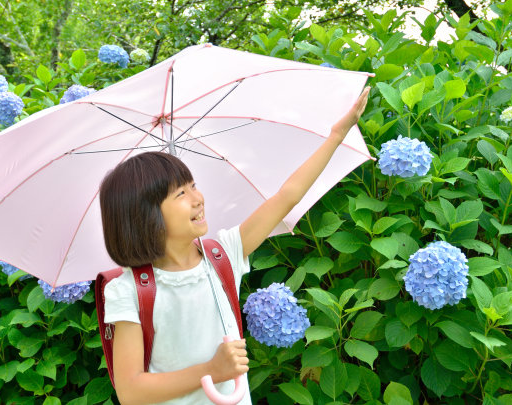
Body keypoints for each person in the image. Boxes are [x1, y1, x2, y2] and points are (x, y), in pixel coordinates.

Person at [99, 86, 371, 405]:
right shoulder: (130, 290)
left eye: (193, 186)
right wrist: (211, 370)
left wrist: (336, 136)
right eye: (181, 195)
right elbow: (131, 391)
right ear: (145, 217)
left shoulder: (222, 254)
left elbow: (287, 196)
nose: (198, 198)